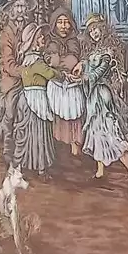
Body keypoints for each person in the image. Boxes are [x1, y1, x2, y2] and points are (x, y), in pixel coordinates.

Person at [81, 50, 128, 189]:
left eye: (97, 29)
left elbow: (98, 72)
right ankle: (100, 171)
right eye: (91, 30)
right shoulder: (89, 48)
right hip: (93, 97)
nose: (94, 33)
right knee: (97, 135)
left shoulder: (107, 54)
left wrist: (84, 77)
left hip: (101, 95)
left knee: (114, 137)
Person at [12, 24, 56, 176]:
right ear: (34, 42)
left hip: (26, 99)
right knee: (38, 133)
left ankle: (25, 165)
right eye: (40, 37)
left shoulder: (28, 60)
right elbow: (50, 74)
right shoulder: (36, 62)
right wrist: (63, 74)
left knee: (29, 134)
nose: (43, 38)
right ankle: (41, 168)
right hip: (35, 101)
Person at [0, 0, 34, 161]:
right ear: (11, 9)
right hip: (12, 79)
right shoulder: (6, 33)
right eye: (17, 6)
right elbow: (8, 63)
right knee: (10, 111)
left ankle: (31, 147)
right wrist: (25, 72)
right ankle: (8, 146)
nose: (20, 10)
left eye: (23, 6)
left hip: (30, 75)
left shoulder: (30, 28)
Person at [45, 9, 85, 156]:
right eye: (60, 22)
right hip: (57, 84)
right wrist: (60, 67)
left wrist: (73, 64)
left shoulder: (75, 41)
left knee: (74, 113)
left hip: (72, 85)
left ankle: (75, 146)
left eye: (66, 22)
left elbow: (74, 60)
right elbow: (51, 61)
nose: (63, 26)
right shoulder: (50, 41)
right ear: (54, 24)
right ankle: (59, 146)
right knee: (58, 114)